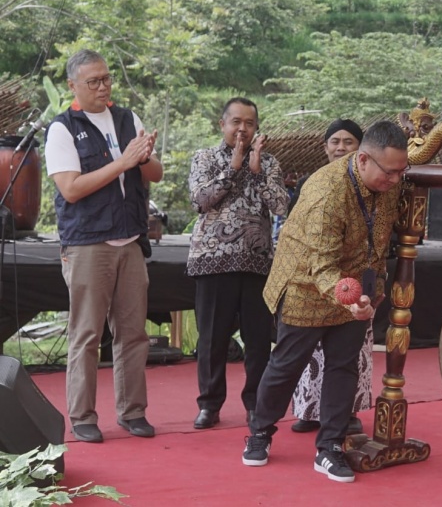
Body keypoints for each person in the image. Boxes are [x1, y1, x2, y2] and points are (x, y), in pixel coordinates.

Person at [243, 120, 409, 483]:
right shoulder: (325, 190)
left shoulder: (389, 181)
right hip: (307, 282)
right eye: (390, 172)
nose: (397, 180)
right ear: (363, 160)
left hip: (356, 287)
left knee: (343, 365)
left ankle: (330, 447)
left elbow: (379, 243)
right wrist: (349, 298)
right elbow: (322, 264)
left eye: (402, 171)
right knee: (287, 363)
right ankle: (259, 431)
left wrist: (370, 292)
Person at [44, 49, 164, 443]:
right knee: (87, 333)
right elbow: (71, 189)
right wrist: (123, 161)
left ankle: (133, 412)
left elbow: (156, 174)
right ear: (73, 86)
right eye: (93, 81)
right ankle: (82, 416)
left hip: (130, 239)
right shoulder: (62, 128)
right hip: (87, 243)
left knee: (133, 333)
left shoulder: (128, 119)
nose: (102, 87)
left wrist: (142, 157)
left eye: (106, 78)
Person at [187, 97, 289, 429]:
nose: (242, 129)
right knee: (212, 338)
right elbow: (200, 200)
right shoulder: (205, 158)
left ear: (256, 127)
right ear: (223, 125)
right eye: (236, 122)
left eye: (249, 123)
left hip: (257, 262)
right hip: (212, 261)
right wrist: (233, 167)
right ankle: (209, 404)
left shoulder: (269, 163)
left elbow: (281, 207)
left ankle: (256, 404)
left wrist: (256, 171)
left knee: (259, 339)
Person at [289, 119, 373, 435]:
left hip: (355, 276)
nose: (340, 147)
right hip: (315, 279)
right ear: (325, 148)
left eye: (348, 142)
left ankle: (345, 412)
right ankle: (309, 411)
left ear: (361, 150)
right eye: (334, 141)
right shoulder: (308, 183)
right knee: (312, 350)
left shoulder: (371, 185)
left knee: (351, 351)